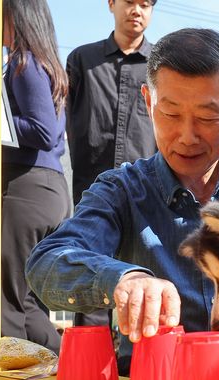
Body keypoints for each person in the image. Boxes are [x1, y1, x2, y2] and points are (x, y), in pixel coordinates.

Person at [26, 28, 219, 379]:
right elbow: (47, 264)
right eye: (170, 114)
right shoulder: (122, 190)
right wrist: (124, 279)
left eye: (207, 117)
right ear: (148, 102)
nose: (187, 136)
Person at [66, 0, 157, 327]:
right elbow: (65, 122)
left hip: (148, 191)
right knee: (91, 278)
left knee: (147, 284)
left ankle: (139, 368)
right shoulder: (81, 60)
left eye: (146, 4)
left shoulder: (163, 66)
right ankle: (91, 368)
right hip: (93, 191)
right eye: (130, 2)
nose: (137, 10)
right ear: (111, 4)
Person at [1, 0, 70, 354]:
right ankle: (68, 366)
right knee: (29, 304)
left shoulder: (23, 62)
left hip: (25, 189)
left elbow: (41, 130)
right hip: (51, 190)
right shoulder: (48, 64)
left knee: (6, 300)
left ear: (16, 15)